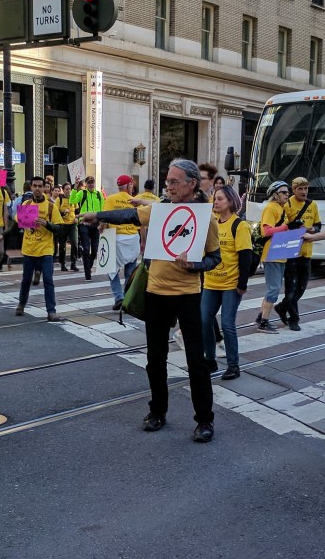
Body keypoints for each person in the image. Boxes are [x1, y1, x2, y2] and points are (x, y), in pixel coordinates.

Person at [79, 158, 221, 443]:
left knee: (196, 361)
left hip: (188, 295)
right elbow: (130, 216)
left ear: (192, 184)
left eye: (174, 182)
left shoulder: (206, 218)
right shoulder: (160, 210)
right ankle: (157, 411)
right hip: (156, 293)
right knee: (155, 359)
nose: (168, 187)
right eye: (167, 181)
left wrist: (196, 265)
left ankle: (204, 419)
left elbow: (214, 258)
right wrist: (97, 215)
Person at [202, 186, 252, 380]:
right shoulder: (211, 222)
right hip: (210, 282)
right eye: (215, 198)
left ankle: (233, 366)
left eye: (220, 199)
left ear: (231, 201)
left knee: (227, 324)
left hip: (231, 284)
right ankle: (210, 360)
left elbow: (245, 256)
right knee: (204, 320)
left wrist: (242, 284)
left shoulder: (239, 225)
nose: (215, 202)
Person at [14, 176, 64, 322]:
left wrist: (46, 224)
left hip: (45, 249)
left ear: (44, 188)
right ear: (31, 187)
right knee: (26, 280)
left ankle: (51, 311)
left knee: (48, 280)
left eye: (39, 186)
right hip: (29, 249)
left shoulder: (50, 206)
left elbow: (59, 228)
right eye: (34, 186)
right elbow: (17, 221)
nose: (37, 188)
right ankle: (21, 304)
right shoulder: (26, 204)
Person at [275, 177, 321, 332]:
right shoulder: (287, 205)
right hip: (291, 253)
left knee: (301, 288)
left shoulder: (312, 205)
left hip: (306, 253)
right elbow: (284, 227)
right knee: (291, 289)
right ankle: (294, 319)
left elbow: (318, 226)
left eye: (306, 188)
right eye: (300, 189)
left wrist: (311, 230)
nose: (304, 192)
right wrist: (296, 228)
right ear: (293, 189)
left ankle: (282, 307)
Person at [255, 181, 293, 333]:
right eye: (283, 192)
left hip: (280, 253)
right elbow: (266, 231)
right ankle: (263, 323)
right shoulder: (271, 208)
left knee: (273, 289)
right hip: (271, 254)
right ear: (275, 194)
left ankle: (261, 317)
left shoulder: (282, 208)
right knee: (273, 290)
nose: (287, 194)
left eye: (287, 192)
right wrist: (287, 227)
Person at [102, 175, 140, 310]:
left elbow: (104, 219)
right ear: (129, 185)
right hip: (132, 238)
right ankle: (127, 299)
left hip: (116, 239)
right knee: (130, 272)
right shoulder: (135, 200)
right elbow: (141, 222)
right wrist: (143, 242)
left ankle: (119, 297)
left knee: (111, 270)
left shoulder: (111, 199)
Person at [71, 176, 105, 280]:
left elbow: (102, 209)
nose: (91, 184)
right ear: (86, 184)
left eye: (92, 182)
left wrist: (102, 222)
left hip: (95, 224)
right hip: (84, 223)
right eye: (89, 183)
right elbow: (72, 201)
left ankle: (88, 266)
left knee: (95, 250)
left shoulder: (99, 194)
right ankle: (87, 273)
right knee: (86, 249)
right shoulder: (82, 193)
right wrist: (75, 187)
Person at [55, 183, 79, 272]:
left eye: (69, 189)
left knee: (75, 243)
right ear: (63, 190)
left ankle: (73, 263)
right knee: (62, 245)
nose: (68, 191)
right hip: (63, 224)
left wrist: (77, 218)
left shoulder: (74, 199)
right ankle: (63, 263)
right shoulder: (59, 199)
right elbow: (55, 212)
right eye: (67, 189)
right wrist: (63, 213)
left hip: (72, 224)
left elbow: (77, 211)